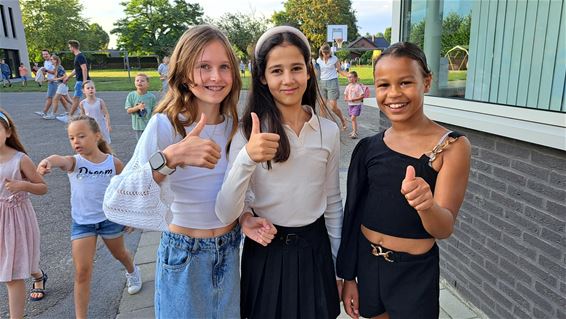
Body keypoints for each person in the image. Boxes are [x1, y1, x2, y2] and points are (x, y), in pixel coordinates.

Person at [103, 25, 242, 318]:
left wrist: (248, 217)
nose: (216, 77)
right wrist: (170, 157)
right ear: (184, 72)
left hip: (230, 250)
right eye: (204, 66)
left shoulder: (235, 126)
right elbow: (115, 201)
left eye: (224, 67)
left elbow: (239, 189)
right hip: (184, 254)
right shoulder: (165, 125)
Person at [215, 26, 343, 319]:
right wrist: (248, 157)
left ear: (309, 71)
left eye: (296, 68)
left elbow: (333, 202)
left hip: (315, 250)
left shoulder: (329, 131)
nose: (288, 79)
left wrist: (339, 267)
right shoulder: (248, 131)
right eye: (276, 71)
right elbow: (225, 211)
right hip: (267, 251)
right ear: (262, 77)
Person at [337, 42, 472, 319]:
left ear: (427, 82)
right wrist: (348, 276)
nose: (394, 94)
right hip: (368, 265)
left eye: (406, 82)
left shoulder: (451, 147)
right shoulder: (368, 148)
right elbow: (353, 215)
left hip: (413, 272)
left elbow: (443, 228)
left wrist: (426, 205)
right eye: (384, 85)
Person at [37, 115, 142, 319]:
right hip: (83, 224)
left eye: (81, 136)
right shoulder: (74, 163)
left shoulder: (114, 163)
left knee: (120, 254)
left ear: (97, 136)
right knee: (82, 272)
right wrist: (47, 161)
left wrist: (130, 216)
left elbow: (126, 190)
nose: (76, 141)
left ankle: (132, 271)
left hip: (109, 221)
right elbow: (60, 159)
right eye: (71, 138)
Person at [0, 108, 48, 318]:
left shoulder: (20, 159)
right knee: (15, 263)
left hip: (15, 219)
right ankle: (38, 275)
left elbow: (42, 187)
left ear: (8, 132)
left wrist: (23, 185)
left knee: (12, 273)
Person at [317, 44, 348, 130]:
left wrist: (348, 75)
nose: (326, 55)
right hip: (322, 82)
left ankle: (342, 119)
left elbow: (340, 70)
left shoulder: (334, 59)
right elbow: (318, 72)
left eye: (328, 53)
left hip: (332, 82)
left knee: (333, 106)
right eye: (324, 53)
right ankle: (323, 125)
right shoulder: (319, 60)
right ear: (321, 52)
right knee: (322, 104)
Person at [124, 73, 157, 140]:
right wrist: (138, 107)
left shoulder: (151, 97)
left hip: (148, 126)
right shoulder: (131, 95)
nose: (139, 82)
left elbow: (155, 111)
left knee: (149, 142)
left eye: (142, 81)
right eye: (137, 80)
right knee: (140, 144)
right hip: (138, 126)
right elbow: (128, 110)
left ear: (148, 84)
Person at [64, 40, 90, 116]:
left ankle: (69, 117)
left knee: (76, 99)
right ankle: (87, 114)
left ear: (73, 47)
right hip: (80, 81)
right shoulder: (78, 56)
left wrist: (84, 82)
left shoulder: (80, 56)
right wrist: (68, 77)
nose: (69, 49)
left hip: (81, 81)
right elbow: (76, 69)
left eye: (69, 47)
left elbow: (84, 69)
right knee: (87, 99)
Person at [43, 55, 71, 120]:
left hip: (62, 85)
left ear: (55, 60)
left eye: (52, 59)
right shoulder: (55, 67)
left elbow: (65, 76)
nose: (51, 60)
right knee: (69, 100)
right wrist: (48, 79)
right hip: (61, 85)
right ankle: (79, 110)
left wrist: (54, 79)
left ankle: (53, 115)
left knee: (55, 99)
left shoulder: (59, 67)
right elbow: (55, 77)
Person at [344, 71, 364, 139]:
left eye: (350, 77)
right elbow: (345, 94)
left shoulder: (358, 86)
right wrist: (346, 98)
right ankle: (354, 131)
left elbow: (362, 96)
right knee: (353, 119)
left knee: (353, 118)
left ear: (355, 78)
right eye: (348, 77)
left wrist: (354, 99)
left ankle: (354, 133)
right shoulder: (348, 86)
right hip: (350, 105)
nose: (349, 78)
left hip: (356, 105)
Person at [37, 50, 58, 117]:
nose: (45, 55)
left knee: (49, 97)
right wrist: (42, 73)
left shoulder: (53, 61)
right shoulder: (45, 62)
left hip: (54, 81)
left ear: (49, 54)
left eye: (46, 54)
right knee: (62, 98)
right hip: (50, 81)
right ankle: (69, 111)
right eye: (43, 54)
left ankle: (44, 112)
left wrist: (46, 70)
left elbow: (55, 72)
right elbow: (46, 72)